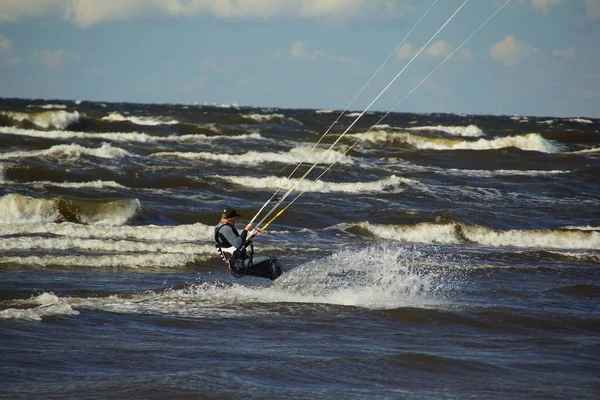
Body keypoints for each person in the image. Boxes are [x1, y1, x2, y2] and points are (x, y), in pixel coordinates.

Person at [214, 207, 282, 281]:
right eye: (235, 218)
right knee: (272, 260)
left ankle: (277, 288)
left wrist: (253, 235)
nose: (236, 220)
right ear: (230, 219)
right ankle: (281, 284)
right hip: (239, 264)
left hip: (238, 267)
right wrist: (246, 230)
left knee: (271, 273)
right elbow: (238, 244)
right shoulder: (225, 229)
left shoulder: (222, 228)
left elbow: (239, 247)